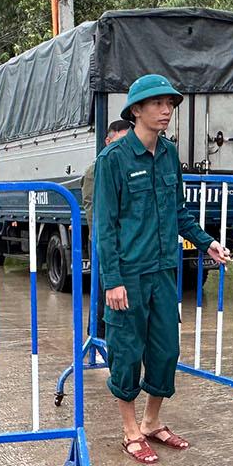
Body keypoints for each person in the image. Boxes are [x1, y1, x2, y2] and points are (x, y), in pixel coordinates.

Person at [93, 74, 231, 463]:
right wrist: (113, 281)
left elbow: (178, 212)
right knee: (126, 351)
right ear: (136, 110)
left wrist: (206, 242)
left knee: (166, 349)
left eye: (169, 103)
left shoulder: (169, 154)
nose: (166, 110)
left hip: (163, 271)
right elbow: (105, 226)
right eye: (157, 103)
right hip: (129, 275)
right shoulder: (113, 160)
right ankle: (129, 430)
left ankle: (151, 422)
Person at [81, 118, 132, 339]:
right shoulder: (96, 170)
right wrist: (103, 241)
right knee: (103, 293)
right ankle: (97, 337)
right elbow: (93, 209)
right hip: (104, 241)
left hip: (128, 243)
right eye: (119, 142)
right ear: (108, 141)